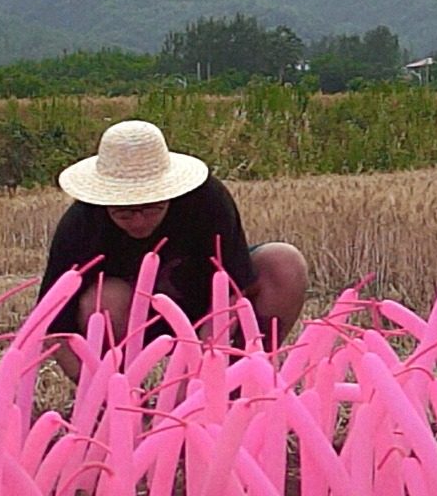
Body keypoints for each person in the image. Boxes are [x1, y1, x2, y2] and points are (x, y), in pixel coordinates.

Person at [37, 120, 307, 380]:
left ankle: (239, 382)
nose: (140, 222)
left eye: (153, 209)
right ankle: (128, 388)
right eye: (124, 214)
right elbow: (55, 327)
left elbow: (234, 293)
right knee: (103, 300)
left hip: (205, 310)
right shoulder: (82, 222)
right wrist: (98, 394)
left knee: (283, 262)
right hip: (133, 321)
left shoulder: (207, 199)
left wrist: (199, 380)